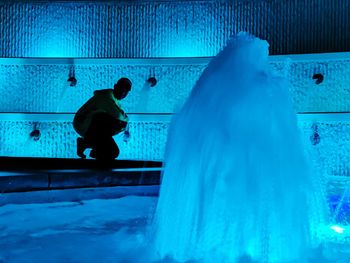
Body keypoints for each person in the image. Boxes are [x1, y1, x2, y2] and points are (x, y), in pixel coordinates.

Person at [73, 77, 131, 161]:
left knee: (114, 152)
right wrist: (124, 123)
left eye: (126, 92)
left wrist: (124, 124)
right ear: (115, 87)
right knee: (112, 120)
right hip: (83, 124)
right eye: (121, 89)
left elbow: (122, 119)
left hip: (92, 128)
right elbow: (119, 115)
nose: (123, 93)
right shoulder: (106, 97)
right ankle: (91, 144)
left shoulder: (116, 101)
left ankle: (87, 144)